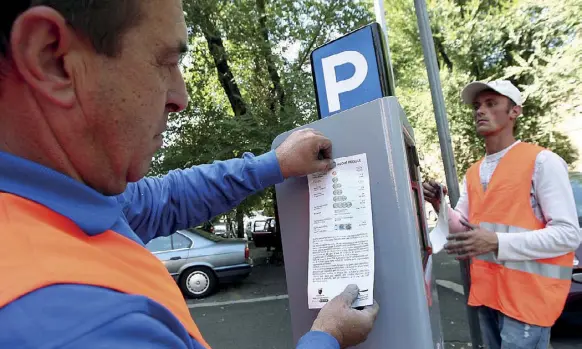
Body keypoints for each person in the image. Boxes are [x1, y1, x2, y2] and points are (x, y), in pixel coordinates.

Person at [0, 1, 379, 349]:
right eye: (164, 61)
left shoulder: (53, 201)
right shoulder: (85, 325)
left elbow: (167, 198)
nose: (180, 97)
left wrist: (275, 164)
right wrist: (326, 338)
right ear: (52, 59)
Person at [423, 80, 581, 349]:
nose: (480, 111)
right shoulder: (474, 171)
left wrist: (496, 242)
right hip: (489, 295)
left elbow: (567, 235)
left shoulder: (542, 161)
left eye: (491, 103)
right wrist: (441, 204)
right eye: (477, 106)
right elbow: (464, 228)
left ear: (514, 112)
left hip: (528, 299)